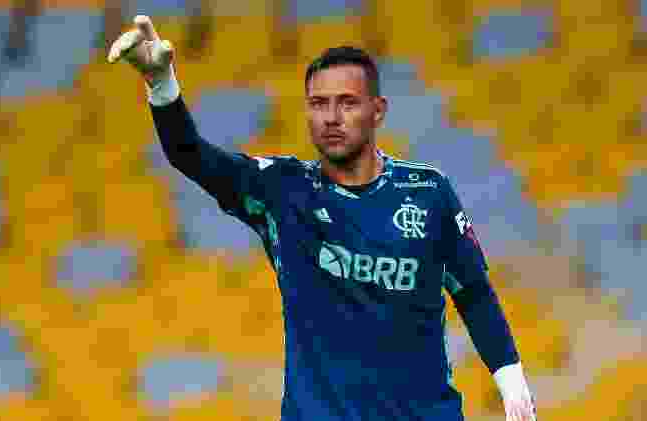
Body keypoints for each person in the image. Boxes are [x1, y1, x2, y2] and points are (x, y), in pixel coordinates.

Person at [108, 15, 537, 421]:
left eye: (347, 103)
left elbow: (473, 291)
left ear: (378, 110)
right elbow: (192, 156)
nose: (331, 118)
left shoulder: (428, 192)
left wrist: (510, 377)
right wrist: (161, 85)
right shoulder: (282, 189)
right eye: (318, 104)